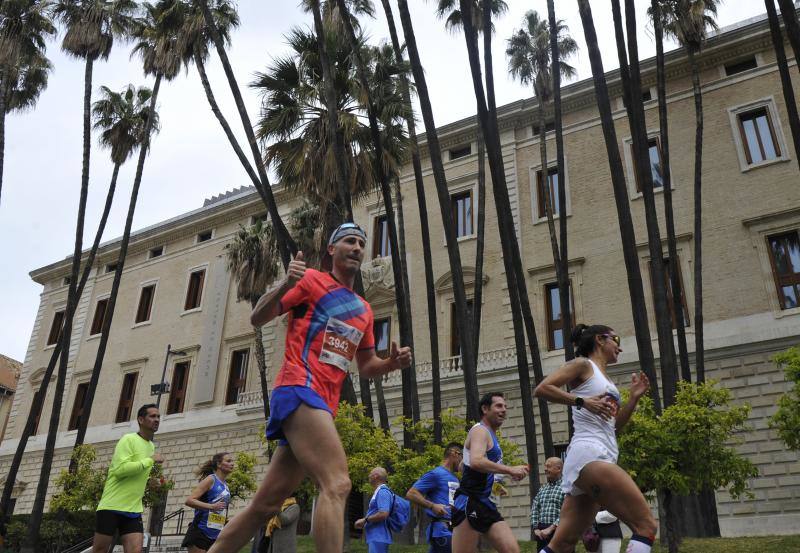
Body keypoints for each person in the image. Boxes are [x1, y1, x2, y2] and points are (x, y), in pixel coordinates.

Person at [207, 223, 413, 553]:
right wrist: (286, 283)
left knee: (265, 506)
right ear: (332, 250)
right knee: (337, 483)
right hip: (299, 388)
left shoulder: (364, 309)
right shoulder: (312, 281)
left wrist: (392, 364)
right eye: (349, 240)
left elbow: (366, 366)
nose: (357, 247)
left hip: (321, 407)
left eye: (361, 242)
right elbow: (258, 317)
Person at [533, 324, 656, 553]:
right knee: (646, 526)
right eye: (616, 339)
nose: (619, 347)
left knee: (562, 544)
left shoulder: (605, 379)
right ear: (600, 339)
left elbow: (614, 426)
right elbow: (542, 388)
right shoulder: (582, 364)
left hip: (599, 454)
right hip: (589, 454)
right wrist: (582, 401)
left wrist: (633, 399)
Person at [451, 392, 529, 553]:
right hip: (469, 501)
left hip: (484, 502)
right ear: (485, 409)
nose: (504, 410)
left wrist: (496, 482)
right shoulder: (480, 431)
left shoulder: (490, 434)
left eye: (505, 406)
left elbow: (464, 466)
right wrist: (509, 469)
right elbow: (476, 461)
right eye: (499, 406)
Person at [92, 404, 164, 553]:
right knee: (100, 550)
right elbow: (120, 470)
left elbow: (137, 472)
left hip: (133, 509)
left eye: (158, 416)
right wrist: (150, 461)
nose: (156, 420)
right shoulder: (128, 439)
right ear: (141, 420)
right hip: (112, 506)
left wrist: (150, 482)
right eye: (152, 416)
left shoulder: (150, 446)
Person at [407, 442, 463, 553]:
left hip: (453, 531)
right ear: (454, 454)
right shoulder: (436, 474)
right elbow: (411, 493)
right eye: (462, 456)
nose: (463, 461)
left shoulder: (455, 479)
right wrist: (432, 506)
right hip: (443, 532)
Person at [182, 452, 234, 553]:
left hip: (216, 533)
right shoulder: (211, 479)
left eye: (232, 461)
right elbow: (189, 501)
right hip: (200, 531)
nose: (232, 464)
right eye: (228, 461)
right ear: (219, 464)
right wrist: (211, 506)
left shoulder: (226, 486)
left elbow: (220, 508)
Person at [531, 457, 566, 552]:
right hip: (542, 534)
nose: (545, 469)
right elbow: (535, 508)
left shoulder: (566, 488)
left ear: (558, 469)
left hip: (561, 531)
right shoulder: (543, 489)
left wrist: (551, 528)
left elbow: (568, 513)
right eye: (545, 466)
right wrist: (535, 528)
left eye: (548, 466)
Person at [354, 467, 393, 553]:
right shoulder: (379, 491)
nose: (369, 476)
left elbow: (383, 513)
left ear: (376, 476)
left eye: (370, 474)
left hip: (379, 536)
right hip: (376, 536)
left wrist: (365, 520)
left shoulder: (383, 492)